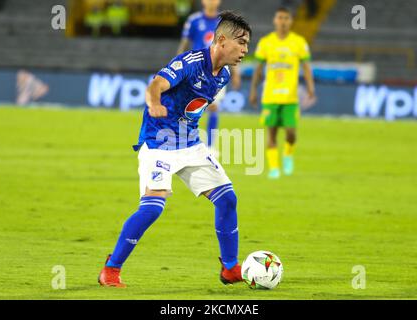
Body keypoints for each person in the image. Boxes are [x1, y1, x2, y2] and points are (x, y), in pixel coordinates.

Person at [98, 11, 251, 287]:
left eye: (248, 44)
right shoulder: (191, 62)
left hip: (190, 143)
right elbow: (156, 84)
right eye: (241, 43)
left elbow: (193, 106)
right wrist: (154, 104)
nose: (245, 50)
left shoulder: (224, 75)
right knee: (152, 208)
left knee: (227, 198)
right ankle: (111, 268)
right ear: (221, 40)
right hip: (159, 142)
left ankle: (230, 268)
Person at [249, 7, 315, 178]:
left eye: (286, 18)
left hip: (290, 97)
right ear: (275, 20)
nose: (283, 21)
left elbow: (306, 66)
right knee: (271, 132)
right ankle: (274, 168)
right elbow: (258, 69)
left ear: (291, 21)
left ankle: (287, 154)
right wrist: (253, 90)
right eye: (280, 18)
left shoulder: (299, 42)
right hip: (270, 96)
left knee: (291, 133)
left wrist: (310, 87)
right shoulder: (266, 42)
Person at [177, 0, 241, 153]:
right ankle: (184, 143)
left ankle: (211, 147)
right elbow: (184, 45)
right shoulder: (194, 20)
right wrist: (178, 67)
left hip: (217, 70)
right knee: (187, 108)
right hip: (195, 69)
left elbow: (233, 49)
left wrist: (236, 72)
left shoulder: (225, 23)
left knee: (213, 106)